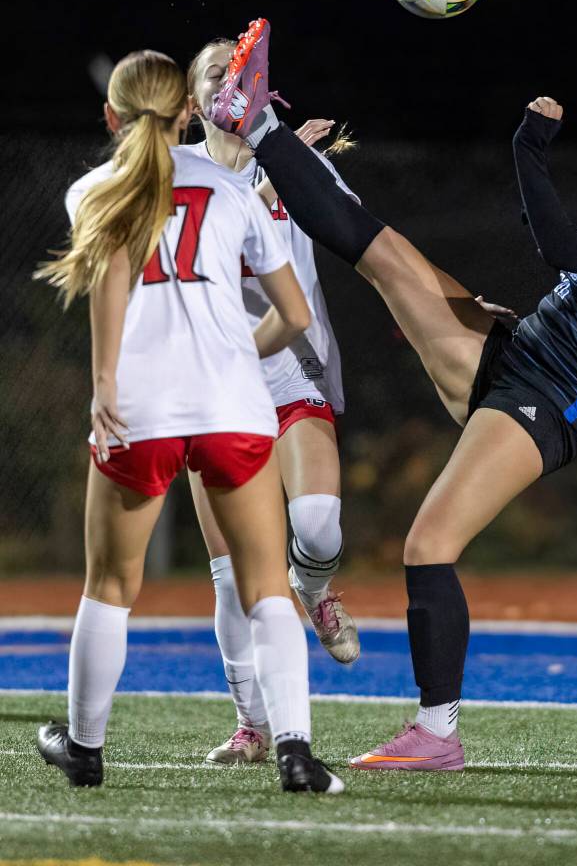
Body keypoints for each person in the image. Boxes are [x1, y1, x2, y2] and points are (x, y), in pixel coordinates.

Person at [210, 18, 577, 772]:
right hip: (516, 362)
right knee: (383, 253)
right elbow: (575, 286)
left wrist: (527, 150)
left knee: (428, 544)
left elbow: (559, 249)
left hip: (545, 402)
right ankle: (262, 125)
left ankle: (437, 733)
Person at [33, 48, 344, 794]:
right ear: (187, 113)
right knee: (268, 583)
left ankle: (85, 749)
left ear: (110, 116)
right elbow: (293, 313)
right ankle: (297, 755)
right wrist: (237, 352)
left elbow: (110, 278)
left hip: (140, 408)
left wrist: (104, 381)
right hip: (232, 406)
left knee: (110, 585)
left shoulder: (91, 190)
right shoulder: (234, 188)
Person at [185, 39, 359, 766]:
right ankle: (252, 726)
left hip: (292, 370)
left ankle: (311, 587)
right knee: (229, 579)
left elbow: (362, 240)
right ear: (194, 99)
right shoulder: (177, 177)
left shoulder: (293, 161)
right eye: (215, 73)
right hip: (214, 383)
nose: (231, 79)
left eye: (241, 69)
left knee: (316, 528)